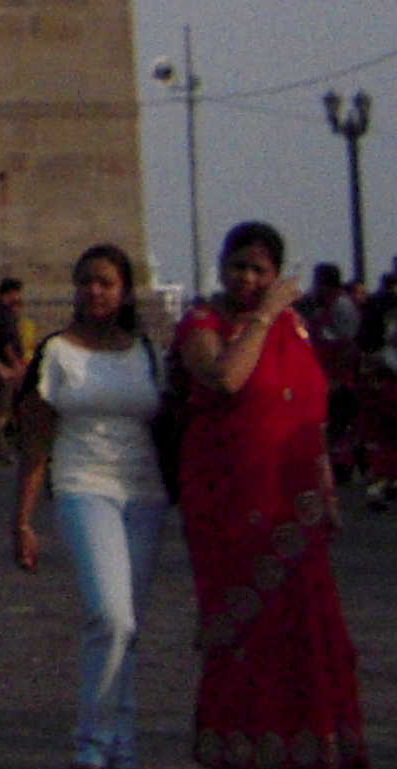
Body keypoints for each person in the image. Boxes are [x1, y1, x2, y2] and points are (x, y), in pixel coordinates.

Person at [172, 219, 367, 769]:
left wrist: (325, 488)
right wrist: (263, 317)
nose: (248, 279)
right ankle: (240, 744)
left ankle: (308, 743)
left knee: (304, 629)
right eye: (239, 267)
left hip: (293, 504)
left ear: (277, 274)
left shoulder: (294, 330)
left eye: (260, 270)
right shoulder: (203, 325)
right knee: (245, 630)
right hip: (230, 500)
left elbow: (309, 410)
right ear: (222, 268)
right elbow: (226, 378)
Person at [11, 243, 166, 769]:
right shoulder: (57, 352)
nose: (94, 291)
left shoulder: (148, 353)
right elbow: (35, 442)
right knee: (111, 616)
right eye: (85, 282)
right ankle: (94, 746)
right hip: (82, 485)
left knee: (127, 628)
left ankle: (122, 745)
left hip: (145, 493)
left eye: (105, 282)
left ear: (125, 293)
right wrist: (23, 520)